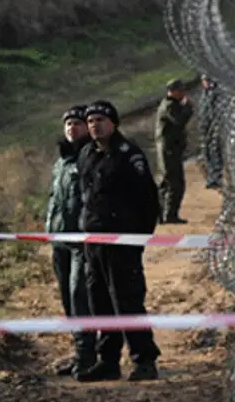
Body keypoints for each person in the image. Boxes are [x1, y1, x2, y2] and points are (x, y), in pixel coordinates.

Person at [75, 100, 162, 382]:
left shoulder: (128, 155)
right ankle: (108, 360)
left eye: (100, 119)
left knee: (127, 300)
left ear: (113, 123)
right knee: (98, 300)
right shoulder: (87, 153)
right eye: (90, 121)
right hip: (93, 241)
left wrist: (138, 238)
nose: (94, 125)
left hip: (122, 241)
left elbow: (148, 200)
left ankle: (144, 360)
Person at [45, 105, 96, 377]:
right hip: (59, 239)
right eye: (68, 124)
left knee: (80, 298)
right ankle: (79, 352)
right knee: (67, 298)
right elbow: (55, 199)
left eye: (77, 123)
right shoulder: (62, 161)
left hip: (82, 242)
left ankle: (89, 356)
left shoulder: (91, 157)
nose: (71, 128)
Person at [155, 79, 194, 223]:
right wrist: (188, 108)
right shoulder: (170, 105)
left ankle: (163, 215)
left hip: (171, 149)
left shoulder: (172, 104)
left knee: (168, 182)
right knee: (174, 183)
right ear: (173, 91)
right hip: (169, 150)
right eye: (180, 90)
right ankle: (169, 215)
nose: (183, 93)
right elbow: (179, 121)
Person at [197, 74, 224, 189]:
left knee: (214, 150)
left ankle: (217, 176)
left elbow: (216, 113)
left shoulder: (216, 94)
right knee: (206, 151)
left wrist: (214, 126)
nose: (205, 83)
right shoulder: (205, 94)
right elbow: (203, 113)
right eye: (203, 81)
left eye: (207, 80)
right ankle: (211, 176)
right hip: (205, 126)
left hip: (214, 126)